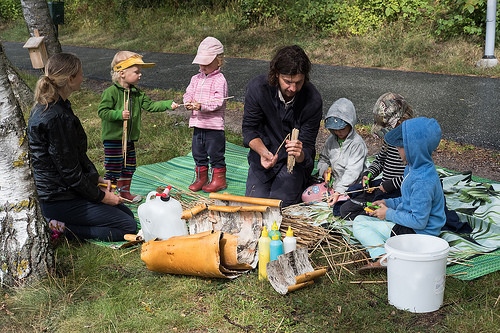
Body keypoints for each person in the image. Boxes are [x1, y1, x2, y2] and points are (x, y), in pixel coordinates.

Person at [28, 53, 137, 242]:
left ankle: (62, 220)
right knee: (127, 226)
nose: (82, 77)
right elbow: (69, 172)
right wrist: (100, 197)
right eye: (80, 74)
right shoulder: (56, 117)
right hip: (58, 198)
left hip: (66, 189)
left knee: (125, 213)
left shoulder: (59, 106)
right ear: (70, 79)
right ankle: (57, 226)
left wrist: (96, 179)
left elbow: (75, 156)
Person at [352, 117, 446, 270]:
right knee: (362, 219)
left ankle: (383, 257)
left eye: (401, 146)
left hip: (419, 235)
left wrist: (388, 213)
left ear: (414, 148)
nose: (397, 149)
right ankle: (389, 252)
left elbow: (419, 221)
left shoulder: (423, 180)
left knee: (359, 224)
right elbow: (408, 200)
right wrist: (387, 203)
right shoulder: (413, 168)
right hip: (412, 228)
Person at [242, 45, 323, 207]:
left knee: (279, 208)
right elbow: (249, 130)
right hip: (262, 159)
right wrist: (263, 152)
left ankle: (300, 184)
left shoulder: (312, 100)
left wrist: (299, 154)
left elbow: (307, 147)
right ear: (276, 74)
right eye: (288, 82)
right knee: (254, 207)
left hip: (293, 166)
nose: (293, 88)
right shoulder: (258, 89)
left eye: (298, 82)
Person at [97, 51, 178, 203]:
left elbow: (151, 105)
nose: (140, 75)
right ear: (122, 73)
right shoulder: (111, 92)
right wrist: (118, 114)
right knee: (114, 167)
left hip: (129, 138)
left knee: (129, 166)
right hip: (114, 139)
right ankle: (110, 194)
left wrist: (168, 104)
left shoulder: (137, 93)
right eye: (136, 72)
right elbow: (103, 112)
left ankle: (124, 192)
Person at [339, 92, 413, 220]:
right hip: (384, 188)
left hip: (401, 193)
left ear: (402, 121)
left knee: (365, 216)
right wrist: (369, 174)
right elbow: (380, 160)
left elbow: (413, 175)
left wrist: (391, 184)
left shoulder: (413, 142)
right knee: (345, 210)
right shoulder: (389, 140)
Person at [302, 98, 368, 208]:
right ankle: (332, 199)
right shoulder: (331, 140)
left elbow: (352, 172)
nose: (338, 132)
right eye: (334, 129)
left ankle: (336, 200)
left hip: (350, 187)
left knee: (341, 205)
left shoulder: (357, 144)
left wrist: (339, 191)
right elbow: (323, 159)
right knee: (306, 196)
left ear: (350, 124)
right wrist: (324, 171)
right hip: (332, 185)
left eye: (341, 129)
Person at [183, 37, 229, 193]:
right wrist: (188, 101)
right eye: (201, 62)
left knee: (215, 153)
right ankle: (201, 178)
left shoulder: (219, 80)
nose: (203, 66)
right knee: (198, 152)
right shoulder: (195, 79)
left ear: (219, 61)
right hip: (198, 124)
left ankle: (219, 180)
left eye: (207, 63)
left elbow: (218, 102)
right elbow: (188, 92)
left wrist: (202, 106)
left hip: (214, 126)